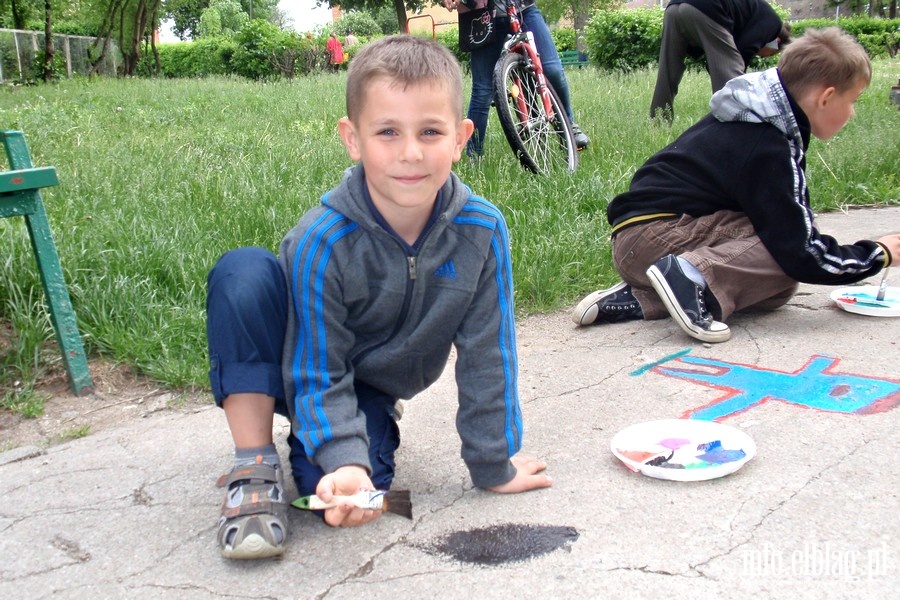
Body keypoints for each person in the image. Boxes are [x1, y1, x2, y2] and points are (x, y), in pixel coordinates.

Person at [207, 35, 552, 560]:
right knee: (243, 272)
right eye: (387, 131)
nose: (411, 153)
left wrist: (493, 464)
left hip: (362, 384)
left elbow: (490, 354)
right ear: (353, 138)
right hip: (289, 359)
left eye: (430, 131)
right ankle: (253, 461)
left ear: (461, 138)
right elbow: (316, 363)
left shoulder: (482, 230)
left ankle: (328, 443)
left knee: (346, 498)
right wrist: (342, 451)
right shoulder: (321, 239)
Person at [573, 28, 900, 343]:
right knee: (783, 258)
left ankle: (644, 296)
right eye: (853, 100)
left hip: (636, 241)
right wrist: (877, 253)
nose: (853, 113)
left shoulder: (750, 113)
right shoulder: (770, 142)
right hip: (663, 236)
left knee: (776, 288)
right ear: (826, 97)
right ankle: (689, 275)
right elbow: (801, 252)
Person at [444, 0, 589, 155]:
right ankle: (474, 156)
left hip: (523, 8)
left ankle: (568, 125)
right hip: (482, 15)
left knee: (552, 69)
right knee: (482, 91)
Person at [649, 0, 792, 121]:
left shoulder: (757, 13)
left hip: (674, 8)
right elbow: (741, 53)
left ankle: (659, 120)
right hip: (706, 7)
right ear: (777, 41)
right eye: (765, 55)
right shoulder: (772, 24)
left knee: (668, 69)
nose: (759, 54)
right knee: (733, 81)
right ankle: (733, 130)